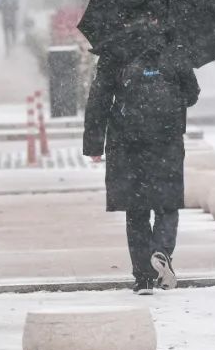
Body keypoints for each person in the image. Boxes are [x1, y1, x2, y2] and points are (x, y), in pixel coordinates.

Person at [82, 16, 200, 295]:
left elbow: (99, 97)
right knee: (167, 204)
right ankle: (161, 251)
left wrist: (94, 145)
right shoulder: (174, 46)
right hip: (167, 140)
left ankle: (143, 278)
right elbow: (192, 94)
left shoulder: (115, 49)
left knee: (136, 210)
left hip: (127, 141)